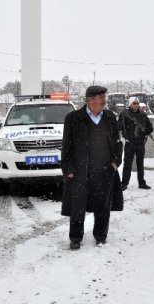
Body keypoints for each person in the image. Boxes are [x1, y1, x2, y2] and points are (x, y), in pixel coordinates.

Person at [61, 86, 124, 250]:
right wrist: (68, 168)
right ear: (89, 100)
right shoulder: (73, 118)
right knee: (77, 208)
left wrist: (115, 163)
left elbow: (118, 143)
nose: (104, 101)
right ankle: (75, 238)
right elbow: (66, 146)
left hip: (104, 172)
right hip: (80, 173)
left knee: (103, 207)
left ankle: (101, 236)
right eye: (100, 98)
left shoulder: (110, 117)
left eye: (104, 97)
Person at [118, 97, 154, 191]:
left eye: (137, 103)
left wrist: (146, 130)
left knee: (140, 164)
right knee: (127, 164)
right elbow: (118, 126)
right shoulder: (124, 113)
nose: (136, 105)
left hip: (140, 143)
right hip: (130, 143)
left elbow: (150, 126)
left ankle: (141, 183)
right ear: (130, 104)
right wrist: (126, 124)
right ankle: (124, 183)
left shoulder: (142, 114)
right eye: (134, 103)